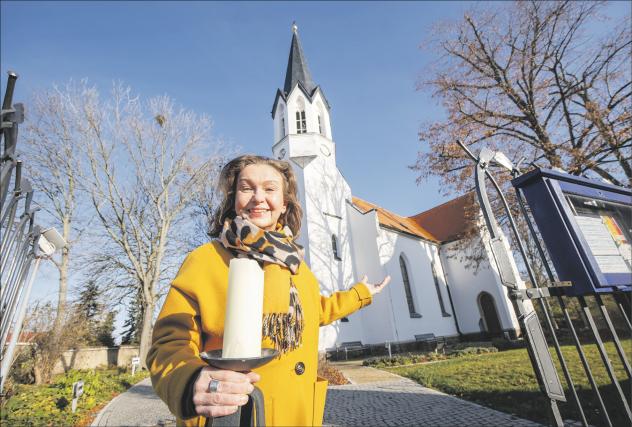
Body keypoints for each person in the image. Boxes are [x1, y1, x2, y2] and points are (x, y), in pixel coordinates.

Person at [147, 154, 391, 427]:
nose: (258, 197)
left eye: (270, 188)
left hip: (297, 414)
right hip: (234, 416)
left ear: (284, 203)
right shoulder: (206, 259)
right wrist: (189, 381)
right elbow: (169, 342)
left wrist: (360, 293)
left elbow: (316, 311)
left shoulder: (296, 264)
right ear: (234, 199)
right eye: (247, 188)